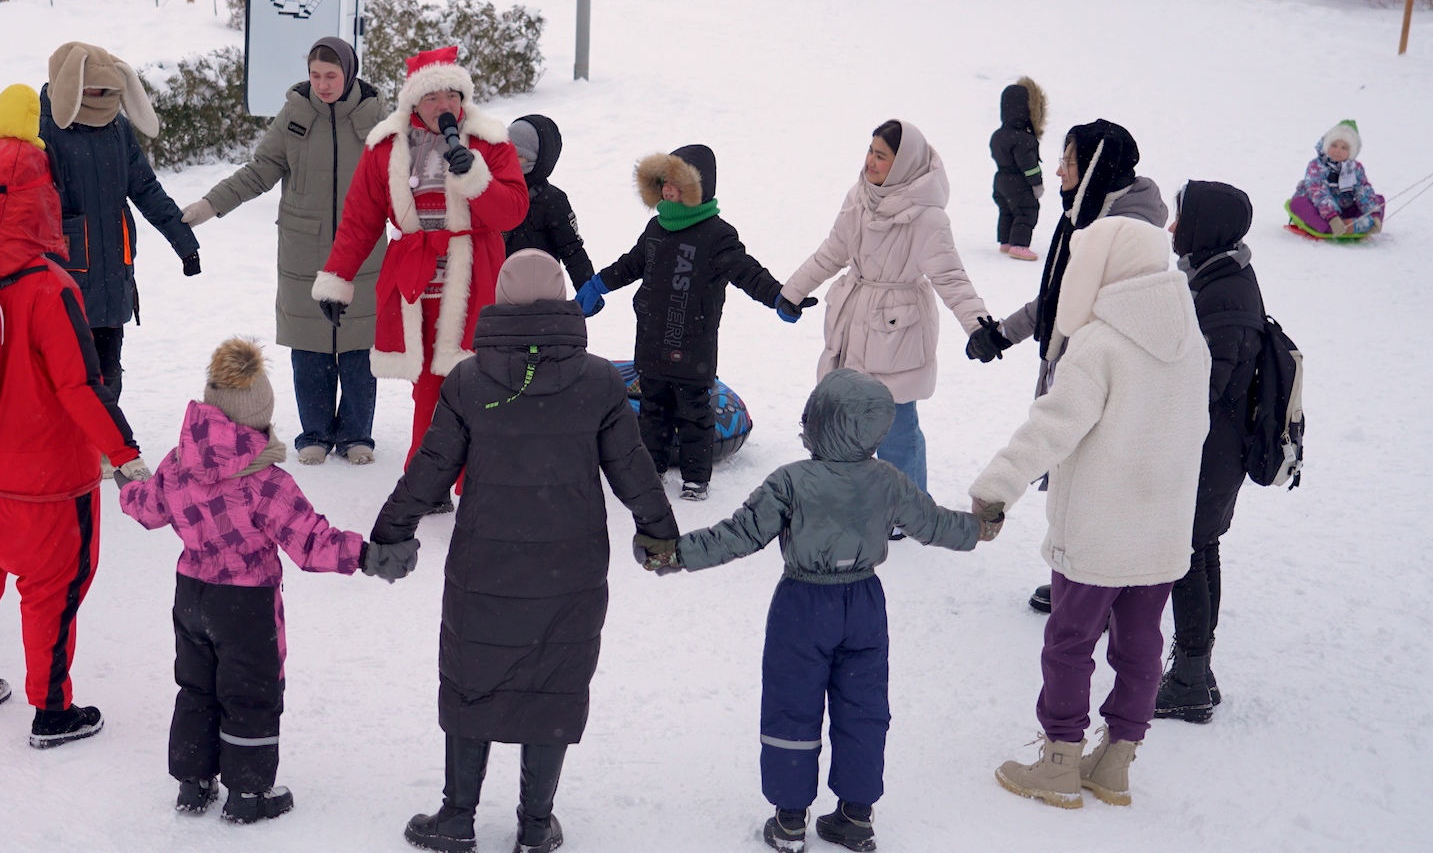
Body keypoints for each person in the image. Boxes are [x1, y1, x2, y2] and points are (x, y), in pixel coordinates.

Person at [372, 250, 680, 853]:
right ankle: (536, 826)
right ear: (563, 299)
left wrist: (392, 532)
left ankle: (457, 817)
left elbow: (431, 467)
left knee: (472, 678)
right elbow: (632, 467)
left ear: (501, 300)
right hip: (571, 569)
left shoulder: (469, 380)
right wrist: (659, 533)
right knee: (554, 685)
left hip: (485, 567)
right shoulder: (598, 381)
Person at [639, 368, 998, 853]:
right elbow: (933, 523)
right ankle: (856, 814)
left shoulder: (792, 482)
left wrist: (675, 554)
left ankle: (790, 819)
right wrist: (979, 527)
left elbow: (739, 534)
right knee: (863, 708)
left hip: (803, 605)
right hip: (865, 605)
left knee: (792, 704)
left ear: (821, 422)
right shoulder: (887, 481)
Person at [118, 338, 416, 823]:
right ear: (259, 417)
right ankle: (248, 793)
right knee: (250, 694)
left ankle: (193, 784)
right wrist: (368, 556)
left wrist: (129, 487)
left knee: (197, 687)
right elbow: (311, 542)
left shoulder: (177, 463)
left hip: (191, 596)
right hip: (246, 606)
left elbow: (148, 509)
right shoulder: (265, 483)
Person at [0, 86, 148, 750]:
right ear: (42, 196)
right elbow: (81, 386)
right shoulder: (49, 288)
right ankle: (52, 711)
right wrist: (125, 454)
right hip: (45, 482)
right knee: (52, 588)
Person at [970, 218, 1209, 809]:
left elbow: (1051, 427)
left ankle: (1058, 763)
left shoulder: (1100, 344)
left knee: (1070, 643)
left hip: (1099, 528)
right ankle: (1116, 762)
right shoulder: (1192, 342)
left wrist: (997, 486)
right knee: (1141, 645)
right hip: (1162, 529)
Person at [965, 120, 1168, 613]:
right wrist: (1004, 333)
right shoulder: (1088, 214)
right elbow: (1058, 297)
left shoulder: (1122, 232)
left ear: (1097, 167)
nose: (1058, 171)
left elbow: (1093, 309)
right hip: (1076, 365)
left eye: (1069, 161)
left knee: (1094, 487)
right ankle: (1083, 584)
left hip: (1105, 379)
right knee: (1076, 484)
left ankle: (1094, 592)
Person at [311, 46, 530, 477]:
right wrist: (337, 278)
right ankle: (427, 482)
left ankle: (478, 482)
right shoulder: (385, 147)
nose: (444, 105)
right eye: (433, 97)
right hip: (415, 283)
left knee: (477, 383)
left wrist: (476, 179)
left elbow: (512, 213)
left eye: (452, 95)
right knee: (428, 390)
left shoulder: (490, 141)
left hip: (474, 282)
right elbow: (360, 218)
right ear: (414, 102)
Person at [185, 37, 386, 467]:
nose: (322, 85)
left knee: (358, 347)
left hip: (364, 249)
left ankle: (356, 434)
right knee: (309, 346)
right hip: (303, 249)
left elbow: (403, 176)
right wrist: (210, 205)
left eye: (331, 76)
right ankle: (314, 433)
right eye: (315, 75)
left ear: (349, 74)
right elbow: (259, 171)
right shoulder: (295, 115)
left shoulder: (376, 117)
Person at [778, 121, 991, 500]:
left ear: (903, 162)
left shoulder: (928, 217)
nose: (870, 162)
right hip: (852, 324)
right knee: (841, 424)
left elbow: (951, 278)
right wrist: (793, 292)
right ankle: (843, 500)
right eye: (870, 151)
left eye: (881, 155)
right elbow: (832, 251)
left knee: (897, 431)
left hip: (898, 334)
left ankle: (909, 509)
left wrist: (979, 327)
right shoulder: (859, 196)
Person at [576, 145, 790, 501]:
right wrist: (599, 283)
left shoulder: (717, 234)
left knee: (694, 412)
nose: (667, 190)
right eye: (664, 182)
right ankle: (652, 469)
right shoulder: (656, 227)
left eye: (676, 183)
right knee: (652, 409)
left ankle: (695, 479)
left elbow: (747, 272)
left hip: (692, 343)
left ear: (697, 188)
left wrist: (779, 296)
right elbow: (631, 264)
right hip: (652, 338)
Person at [1154, 181, 1264, 724]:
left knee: (1188, 555)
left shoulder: (1224, 295)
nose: (1172, 227)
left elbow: (1205, 386)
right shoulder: (1220, 274)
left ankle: (1190, 681)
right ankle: (1198, 671)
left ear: (1208, 225)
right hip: (1219, 446)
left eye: (1183, 217)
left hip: (1211, 451)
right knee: (1200, 550)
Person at [38, 40, 202, 399]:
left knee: (108, 372)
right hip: (62, 278)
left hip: (114, 274)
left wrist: (184, 243)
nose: (99, 97)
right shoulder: (43, 131)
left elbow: (146, 189)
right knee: (63, 374)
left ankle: (106, 431)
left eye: (106, 90)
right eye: (91, 89)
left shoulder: (118, 128)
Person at [503, 113, 595, 290]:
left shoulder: (552, 201)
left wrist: (587, 288)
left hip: (540, 291)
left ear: (536, 159)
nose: (509, 162)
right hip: (496, 290)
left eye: (517, 156)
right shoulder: (495, 191)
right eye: (505, 154)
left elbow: (572, 250)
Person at [1288, 120, 1385, 237]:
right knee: (1297, 203)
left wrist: (1374, 213)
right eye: (1334, 145)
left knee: (1378, 200)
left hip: (1344, 210)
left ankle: (1365, 223)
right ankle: (1332, 228)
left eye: (1344, 148)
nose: (1338, 150)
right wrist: (1332, 216)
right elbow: (1318, 192)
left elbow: (1363, 191)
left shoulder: (1354, 168)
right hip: (1319, 209)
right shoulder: (1316, 165)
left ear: (1352, 151)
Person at [990, 77, 1047, 260]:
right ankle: (1019, 245)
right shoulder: (1024, 139)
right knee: (1026, 210)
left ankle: (1006, 242)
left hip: (1000, 179)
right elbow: (1029, 166)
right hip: (1019, 182)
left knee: (1007, 210)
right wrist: (1036, 183)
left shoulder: (998, 135)